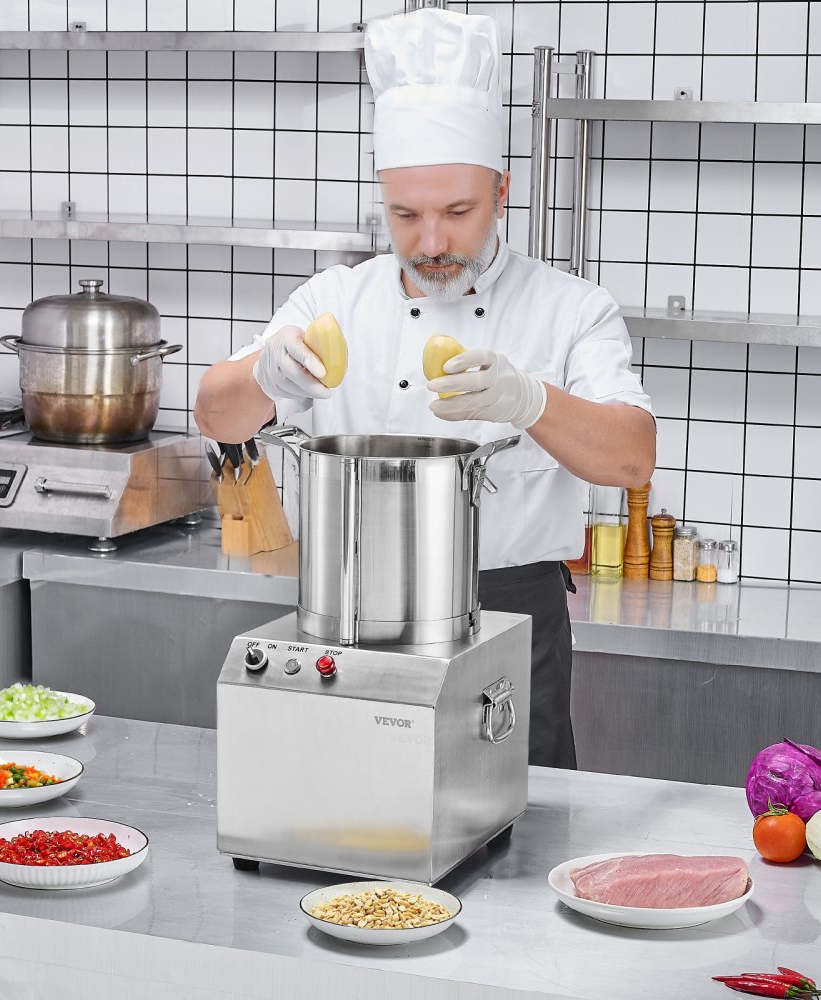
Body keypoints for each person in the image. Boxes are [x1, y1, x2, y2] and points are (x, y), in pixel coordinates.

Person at [194, 8, 655, 769]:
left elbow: (633, 458)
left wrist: (531, 401)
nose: (431, 242)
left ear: (502, 192)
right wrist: (267, 373)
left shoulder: (571, 308)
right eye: (405, 215)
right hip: (352, 614)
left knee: (522, 820)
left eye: (457, 212)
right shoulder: (335, 300)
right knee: (354, 815)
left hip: (511, 617)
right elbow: (215, 415)